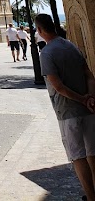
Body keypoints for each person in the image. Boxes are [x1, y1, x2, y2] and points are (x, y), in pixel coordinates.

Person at [35, 13, 95, 201]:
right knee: (93, 152)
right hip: (89, 109)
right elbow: (89, 75)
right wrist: (90, 98)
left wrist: (81, 99)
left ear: (39, 30)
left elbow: (58, 87)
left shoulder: (46, 53)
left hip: (67, 111)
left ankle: (91, 197)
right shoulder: (72, 46)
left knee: (78, 156)